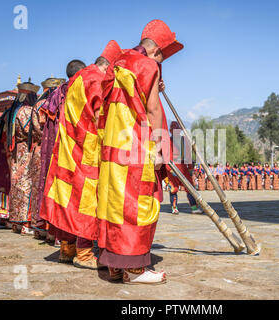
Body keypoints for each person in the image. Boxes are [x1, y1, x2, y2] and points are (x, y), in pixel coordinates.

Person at [96, 19, 183, 285]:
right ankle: (134, 270)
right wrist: (158, 148)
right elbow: (154, 110)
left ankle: (114, 265)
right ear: (157, 51)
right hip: (135, 146)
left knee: (114, 203)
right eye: (163, 57)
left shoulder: (119, 63)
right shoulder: (149, 65)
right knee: (140, 202)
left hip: (112, 147)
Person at [40, 41, 122, 270]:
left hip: (68, 146)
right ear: (109, 66)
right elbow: (99, 116)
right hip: (87, 149)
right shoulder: (96, 79)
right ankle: (85, 253)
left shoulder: (77, 78)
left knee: (69, 199)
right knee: (87, 202)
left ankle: (66, 250)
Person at [33, 60, 86, 244]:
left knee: (52, 183)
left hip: (50, 145)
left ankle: (49, 230)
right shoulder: (76, 90)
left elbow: (38, 125)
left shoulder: (53, 95)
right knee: (69, 187)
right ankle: (65, 235)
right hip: (70, 144)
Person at [6, 80, 40, 235]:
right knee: (27, 184)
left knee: (16, 186)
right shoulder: (27, 110)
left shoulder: (12, 111)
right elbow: (32, 130)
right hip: (26, 149)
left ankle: (15, 222)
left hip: (15, 152)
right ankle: (26, 224)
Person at [166, 121, 202, 215]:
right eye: (174, 130)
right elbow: (167, 157)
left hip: (183, 168)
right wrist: (170, 169)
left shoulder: (185, 140)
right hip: (173, 168)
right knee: (173, 189)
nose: (176, 132)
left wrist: (190, 169)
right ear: (171, 131)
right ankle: (174, 208)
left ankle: (194, 208)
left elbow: (188, 156)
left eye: (178, 130)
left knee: (190, 187)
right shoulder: (168, 141)